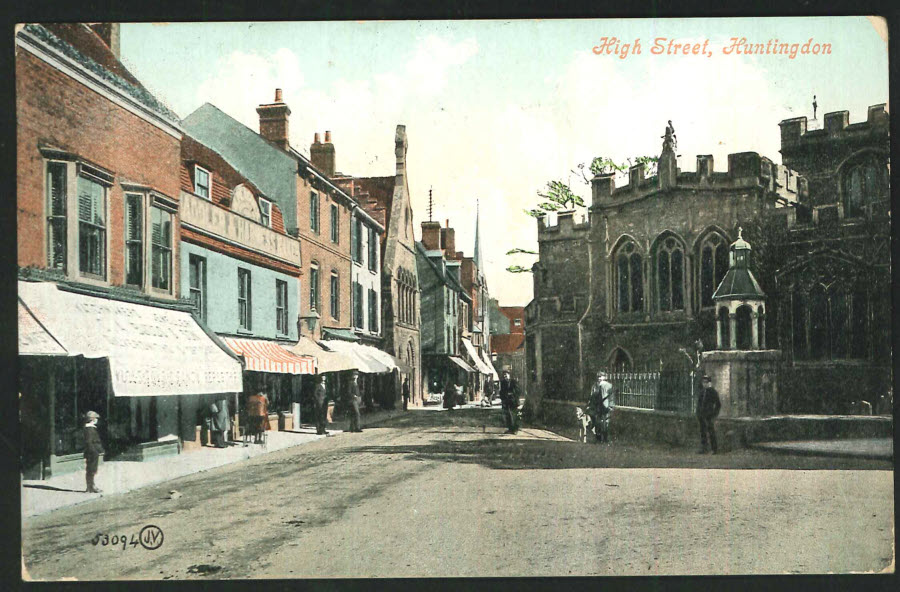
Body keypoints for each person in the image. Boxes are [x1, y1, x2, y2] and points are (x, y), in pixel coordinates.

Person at [697, 374, 722, 454]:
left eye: (706, 382)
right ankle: (704, 448)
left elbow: (718, 404)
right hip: (702, 415)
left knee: (711, 432)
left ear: (709, 383)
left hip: (709, 415)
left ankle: (714, 449)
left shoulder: (713, 392)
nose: (704, 384)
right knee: (703, 432)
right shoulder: (701, 392)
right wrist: (698, 412)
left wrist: (714, 414)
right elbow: (699, 403)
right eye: (703, 382)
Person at [587, 371, 613, 443]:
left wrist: (610, 406)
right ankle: (598, 438)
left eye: (601, 376)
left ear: (605, 377)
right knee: (597, 423)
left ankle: (605, 439)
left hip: (605, 406)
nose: (599, 378)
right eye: (598, 377)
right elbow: (591, 396)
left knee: (605, 423)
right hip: (597, 406)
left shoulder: (608, 385)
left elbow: (611, 397)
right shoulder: (595, 386)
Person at [83, 411, 105, 493]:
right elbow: (89, 442)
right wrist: (95, 452)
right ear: (92, 419)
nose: (97, 420)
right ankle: (91, 487)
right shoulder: (89, 429)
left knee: (91, 469)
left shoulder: (90, 428)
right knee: (91, 469)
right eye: (96, 418)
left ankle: (90, 487)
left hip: (92, 452)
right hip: (92, 452)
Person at [499, 370, 520, 434]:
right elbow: (501, 392)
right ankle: (510, 429)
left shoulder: (514, 382)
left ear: (509, 375)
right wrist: (503, 398)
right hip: (506, 402)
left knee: (514, 416)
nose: (505, 376)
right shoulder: (503, 383)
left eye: (506, 375)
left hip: (513, 401)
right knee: (508, 416)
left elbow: (518, 390)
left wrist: (511, 394)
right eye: (504, 375)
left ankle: (515, 429)